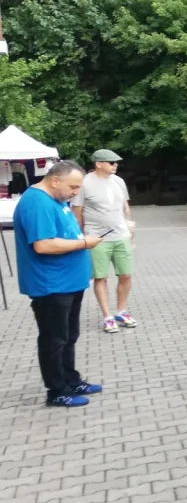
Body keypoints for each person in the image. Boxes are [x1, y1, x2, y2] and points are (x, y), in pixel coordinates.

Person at [13, 161, 104, 407]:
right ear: (55, 180)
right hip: (51, 285)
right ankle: (57, 391)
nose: (76, 192)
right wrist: (84, 243)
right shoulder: (38, 203)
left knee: (68, 335)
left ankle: (71, 380)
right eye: (73, 187)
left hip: (68, 282)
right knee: (54, 339)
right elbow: (43, 245)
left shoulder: (57, 199)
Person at [71, 149, 137, 334]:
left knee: (126, 275)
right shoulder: (84, 183)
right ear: (98, 164)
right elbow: (77, 213)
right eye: (111, 162)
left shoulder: (119, 181)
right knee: (101, 278)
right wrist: (82, 238)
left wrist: (129, 226)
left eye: (116, 162)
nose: (115, 165)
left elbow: (124, 206)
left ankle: (121, 311)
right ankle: (107, 316)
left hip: (121, 236)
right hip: (97, 238)